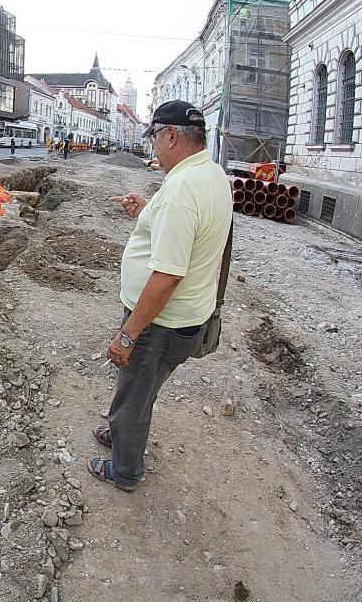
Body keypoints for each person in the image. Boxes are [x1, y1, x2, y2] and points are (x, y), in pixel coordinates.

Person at [88, 100, 232, 493]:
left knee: (133, 396)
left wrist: (129, 334)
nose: (152, 145)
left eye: (154, 137)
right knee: (142, 389)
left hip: (158, 323)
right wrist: (151, 213)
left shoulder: (182, 189)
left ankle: (125, 471)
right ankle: (122, 435)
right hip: (185, 319)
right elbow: (193, 228)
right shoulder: (210, 173)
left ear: (171, 135)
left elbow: (167, 274)